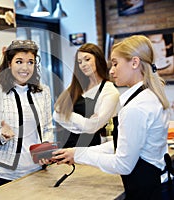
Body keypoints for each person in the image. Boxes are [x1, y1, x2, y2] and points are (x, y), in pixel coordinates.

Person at [50, 35, 170, 200]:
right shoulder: (147, 97)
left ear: (134, 63)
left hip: (148, 191)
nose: (112, 70)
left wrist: (79, 155)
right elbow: (123, 144)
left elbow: (123, 164)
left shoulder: (136, 108)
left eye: (115, 63)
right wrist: (77, 152)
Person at [0, 40, 54, 189]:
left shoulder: (43, 91)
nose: (25, 68)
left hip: (37, 172)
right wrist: (0, 135)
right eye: (19, 61)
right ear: (9, 64)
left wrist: (45, 148)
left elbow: (47, 128)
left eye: (30, 62)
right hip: (4, 176)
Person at [53, 43, 120, 148]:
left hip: (89, 150)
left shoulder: (109, 90)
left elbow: (93, 126)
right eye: (79, 62)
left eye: (87, 59)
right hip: (66, 146)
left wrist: (68, 115)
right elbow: (56, 113)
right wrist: (84, 124)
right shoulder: (76, 86)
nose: (83, 65)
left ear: (98, 59)